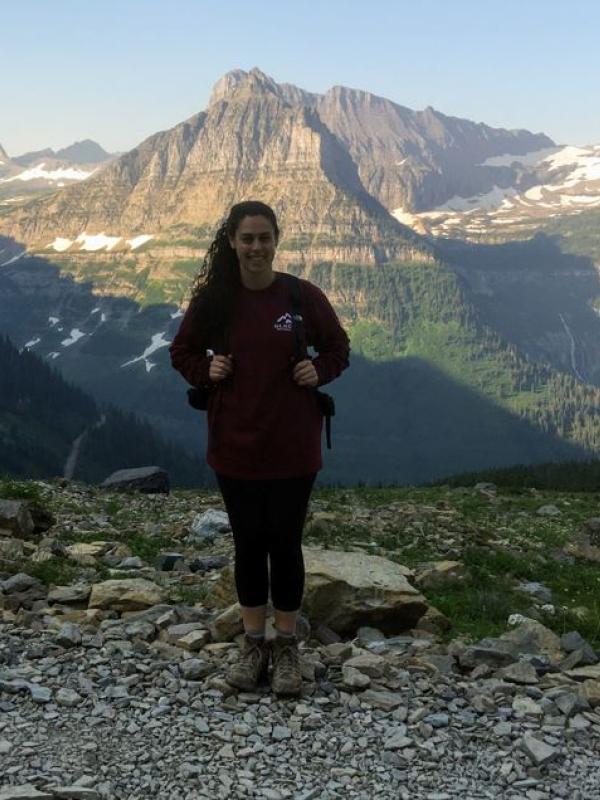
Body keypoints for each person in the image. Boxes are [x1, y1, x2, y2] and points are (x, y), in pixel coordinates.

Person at [169, 200, 350, 696]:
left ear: (277, 239)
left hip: (293, 445)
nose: (256, 247)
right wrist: (205, 371)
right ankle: (254, 644)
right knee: (249, 544)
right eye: (247, 238)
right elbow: (181, 352)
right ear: (231, 241)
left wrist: (321, 370)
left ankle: (286, 647)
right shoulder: (215, 300)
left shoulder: (300, 296)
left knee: (285, 544)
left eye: (264, 237)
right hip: (235, 444)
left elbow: (339, 347)